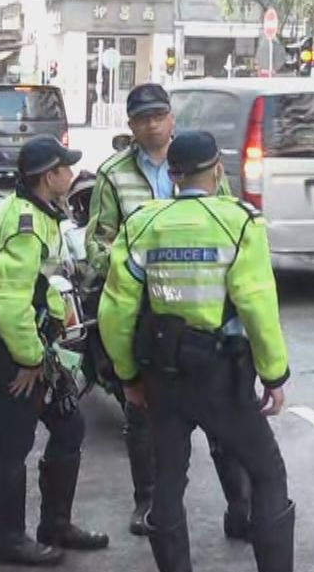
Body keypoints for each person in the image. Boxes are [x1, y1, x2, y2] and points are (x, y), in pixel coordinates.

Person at [98, 131, 314, 572]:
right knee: (267, 472)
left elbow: (114, 309)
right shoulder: (238, 223)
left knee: (168, 484)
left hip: (163, 376)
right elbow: (256, 303)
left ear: (173, 176)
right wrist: (275, 375)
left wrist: (127, 376)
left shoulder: (143, 225)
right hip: (223, 376)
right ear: (217, 171)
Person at [84, 83, 250, 542]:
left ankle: (241, 508)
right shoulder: (113, 175)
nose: (152, 124)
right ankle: (149, 503)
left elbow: (229, 220)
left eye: (159, 115)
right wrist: (128, 266)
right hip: (147, 316)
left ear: (171, 119)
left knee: (226, 414)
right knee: (145, 415)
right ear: (131, 125)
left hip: (207, 313)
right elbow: (97, 242)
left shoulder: (199, 162)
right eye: (142, 118)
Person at [0, 136, 109, 567]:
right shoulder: (25, 225)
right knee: (13, 446)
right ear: (47, 176)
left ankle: (55, 524)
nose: (71, 175)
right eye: (65, 169)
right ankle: (9, 540)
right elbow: (12, 304)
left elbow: (46, 286)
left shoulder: (43, 216)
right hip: (18, 354)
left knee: (69, 429)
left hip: (40, 350)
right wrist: (31, 360)